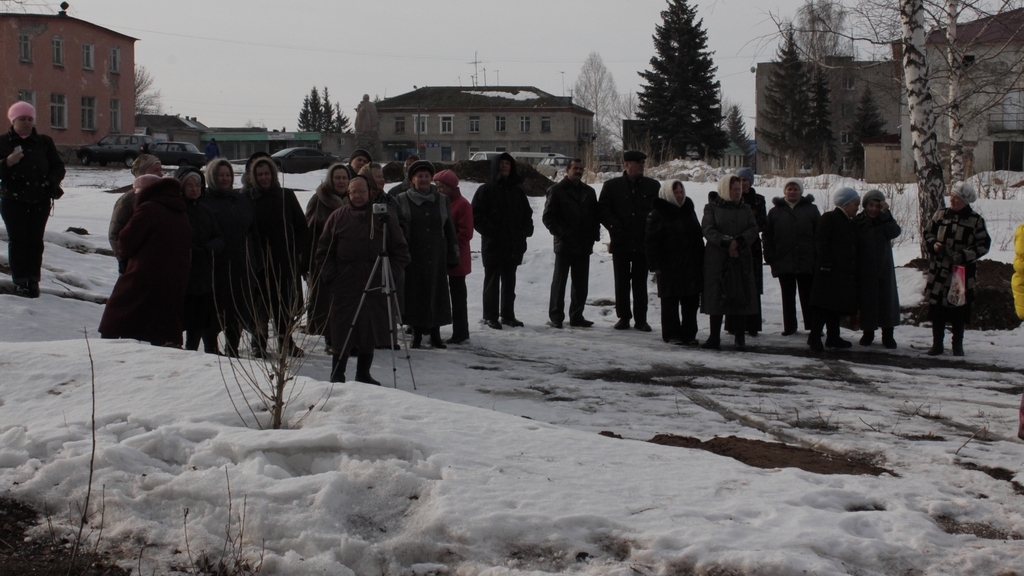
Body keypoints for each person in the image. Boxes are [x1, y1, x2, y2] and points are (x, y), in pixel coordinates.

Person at [315, 176, 410, 384]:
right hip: (344, 283)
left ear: (370, 193)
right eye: (353, 192)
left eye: (362, 191)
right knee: (341, 329)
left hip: (375, 281)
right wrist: (331, 277)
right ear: (348, 194)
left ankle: (363, 373)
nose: (357, 196)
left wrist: (389, 276)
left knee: (369, 329)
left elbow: (401, 252)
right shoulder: (338, 217)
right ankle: (337, 373)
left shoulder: (383, 218)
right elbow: (323, 252)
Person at [98, 176, 192, 346]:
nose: (135, 194)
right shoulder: (181, 212)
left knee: (118, 314)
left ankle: (109, 349)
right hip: (174, 278)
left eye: (137, 190)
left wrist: (126, 257)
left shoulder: (148, 209)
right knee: (162, 321)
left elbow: (126, 241)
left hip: (143, 275)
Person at [243, 155, 310, 357]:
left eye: (267, 174)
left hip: (284, 260)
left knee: (284, 304)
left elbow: (301, 227)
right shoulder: (247, 198)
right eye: (260, 174)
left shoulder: (286, 196)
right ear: (254, 177)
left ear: (273, 175)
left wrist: (297, 251)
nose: (264, 178)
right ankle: (259, 342)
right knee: (260, 304)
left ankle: (285, 341)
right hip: (258, 261)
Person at [0, 101, 65, 298]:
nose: (27, 122)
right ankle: (20, 282)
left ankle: (34, 280)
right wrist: (8, 162)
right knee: (18, 241)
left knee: (35, 241)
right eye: (22, 119)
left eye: (30, 119)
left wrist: (49, 181)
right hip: (13, 200)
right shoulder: (3, 142)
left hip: (40, 199)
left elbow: (58, 167)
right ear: (13, 120)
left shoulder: (44, 142)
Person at [202, 158, 263, 357]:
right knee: (214, 310)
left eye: (228, 175)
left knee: (237, 310)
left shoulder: (240, 200)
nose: (225, 179)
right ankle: (211, 349)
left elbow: (253, 231)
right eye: (221, 175)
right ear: (212, 177)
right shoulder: (204, 201)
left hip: (242, 266)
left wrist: (256, 259)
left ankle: (232, 348)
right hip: (216, 266)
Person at [395, 160, 459, 348]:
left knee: (436, 294)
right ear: (412, 179)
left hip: (437, 256)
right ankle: (416, 334)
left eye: (426, 176)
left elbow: (449, 229)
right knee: (415, 295)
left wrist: (453, 254)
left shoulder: (442, 199)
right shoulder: (402, 199)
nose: (423, 179)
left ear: (431, 178)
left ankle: (435, 334)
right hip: (413, 256)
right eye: (419, 176)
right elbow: (398, 228)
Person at [923, 181, 991, 357]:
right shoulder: (940, 215)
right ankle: (937, 344)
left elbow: (983, 245)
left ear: (965, 201)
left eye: (957, 198)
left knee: (958, 310)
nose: (952, 200)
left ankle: (957, 345)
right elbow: (928, 234)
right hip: (940, 270)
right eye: (952, 196)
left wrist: (963, 255)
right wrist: (934, 245)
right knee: (937, 309)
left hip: (961, 273)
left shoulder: (976, 221)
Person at [599, 150, 660, 331]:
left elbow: (658, 211)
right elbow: (603, 210)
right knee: (622, 282)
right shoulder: (612, 186)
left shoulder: (652, 186)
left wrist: (650, 230)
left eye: (643, 162)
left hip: (642, 242)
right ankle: (623, 317)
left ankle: (641, 319)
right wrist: (615, 227)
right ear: (627, 165)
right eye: (637, 162)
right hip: (621, 242)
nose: (641, 165)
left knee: (640, 283)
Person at [472, 152, 534, 329]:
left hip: (513, 244)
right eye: (502, 163)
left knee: (509, 282)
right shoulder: (485, 190)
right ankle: (490, 316)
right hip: (493, 244)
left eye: (508, 163)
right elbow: (476, 216)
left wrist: (525, 231)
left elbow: (527, 214)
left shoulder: (517, 191)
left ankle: (508, 315)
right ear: (495, 166)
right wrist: (493, 232)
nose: (505, 166)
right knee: (492, 282)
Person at [701, 174, 759, 350]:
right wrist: (727, 242)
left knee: (740, 294)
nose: (737, 192)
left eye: (739, 189)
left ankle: (740, 337)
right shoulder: (711, 208)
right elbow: (708, 229)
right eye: (734, 189)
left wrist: (739, 242)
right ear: (725, 189)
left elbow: (753, 228)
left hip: (740, 258)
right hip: (718, 259)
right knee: (717, 296)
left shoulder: (746, 208)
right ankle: (714, 336)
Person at [542, 158, 600, 329]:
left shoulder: (589, 192)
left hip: (583, 244)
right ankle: (556, 316)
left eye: (581, 169)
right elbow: (548, 217)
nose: (578, 171)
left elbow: (595, 216)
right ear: (567, 170)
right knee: (559, 283)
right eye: (575, 168)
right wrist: (562, 234)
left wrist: (593, 235)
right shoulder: (556, 190)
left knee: (581, 284)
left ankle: (577, 316)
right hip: (564, 244)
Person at [646, 180, 704, 345]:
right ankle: (672, 334)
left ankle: (689, 334)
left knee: (691, 300)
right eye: (675, 192)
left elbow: (697, 236)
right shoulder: (658, 213)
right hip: (668, 265)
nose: (679, 195)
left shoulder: (688, 210)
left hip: (690, 263)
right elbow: (651, 241)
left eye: (681, 192)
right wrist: (655, 264)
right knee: (670, 301)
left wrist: (701, 257)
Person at [176, 166, 224, 353]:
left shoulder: (205, 210)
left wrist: (208, 249)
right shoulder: (177, 210)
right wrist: (191, 250)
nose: (195, 189)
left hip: (204, 275)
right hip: (184, 275)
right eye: (190, 186)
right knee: (182, 319)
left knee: (201, 320)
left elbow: (219, 237)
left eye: (197, 185)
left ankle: (198, 350)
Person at [764, 178, 820, 336]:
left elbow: (819, 234)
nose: (792, 192)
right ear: (784, 191)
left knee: (808, 295)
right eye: (789, 189)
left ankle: (812, 326)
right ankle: (789, 326)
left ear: (801, 191)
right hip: (784, 259)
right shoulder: (775, 212)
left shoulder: (811, 210)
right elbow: (767, 235)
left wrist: (817, 255)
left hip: (806, 259)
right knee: (787, 296)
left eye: (795, 189)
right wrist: (769, 255)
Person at [808, 187, 861, 352]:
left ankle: (833, 336)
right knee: (823, 306)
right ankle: (814, 336)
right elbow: (821, 241)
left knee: (835, 306)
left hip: (840, 271)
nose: (857, 208)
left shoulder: (847, 221)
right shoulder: (830, 218)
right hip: (828, 270)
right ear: (845, 204)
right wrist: (825, 263)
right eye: (855, 204)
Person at [305, 163, 350, 352]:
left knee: (346, 300)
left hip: (348, 259)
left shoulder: (353, 198)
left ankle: (347, 336)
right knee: (326, 300)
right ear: (330, 179)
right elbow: (308, 230)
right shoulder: (319, 199)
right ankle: (330, 338)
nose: (341, 181)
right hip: (323, 258)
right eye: (337, 177)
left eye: (344, 178)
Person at [854, 189, 901, 349]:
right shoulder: (858, 221)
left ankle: (888, 335)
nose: (874, 209)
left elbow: (895, 232)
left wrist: (886, 215)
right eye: (871, 205)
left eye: (877, 206)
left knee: (886, 301)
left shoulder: (885, 220)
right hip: (865, 268)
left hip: (884, 267)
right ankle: (868, 333)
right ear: (865, 206)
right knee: (867, 302)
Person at [433, 169, 474, 344]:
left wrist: (448, 245)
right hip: (442, 256)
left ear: (451, 187)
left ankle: (461, 331)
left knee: (458, 297)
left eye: (441, 186)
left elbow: (466, 233)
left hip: (457, 258)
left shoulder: (463, 204)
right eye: (437, 186)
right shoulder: (440, 202)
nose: (438, 190)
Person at [725, 167, 766, 337]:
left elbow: (762, 223)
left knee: (752, 285)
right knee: (733, 284)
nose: (742, 184)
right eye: (739, 181)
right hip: (734, 245)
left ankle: (753, 324)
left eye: (745, 181)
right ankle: (732, 324)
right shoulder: (730, 199)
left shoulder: (758, 200)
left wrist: (747, 233)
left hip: (752, 246)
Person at [109, 154, 163, 273]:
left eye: (161, 170)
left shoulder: (163, 196)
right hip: (134, 263)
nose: (161, 174)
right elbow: (115, 233)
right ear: (143, 173)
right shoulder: (128, 200)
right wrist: (122, 259)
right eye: (155, 170)